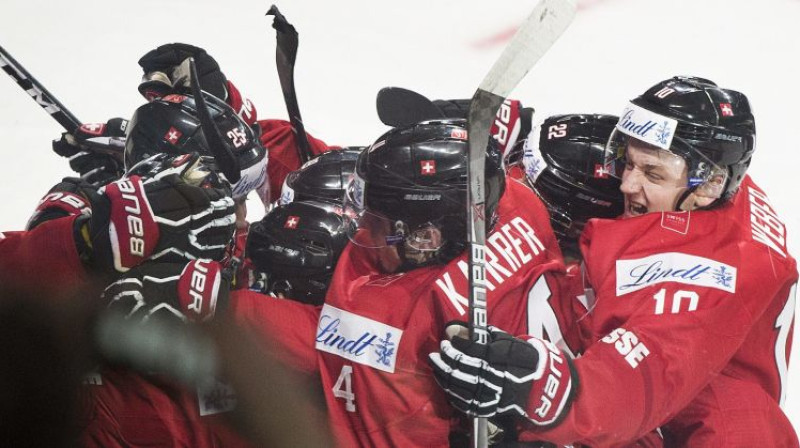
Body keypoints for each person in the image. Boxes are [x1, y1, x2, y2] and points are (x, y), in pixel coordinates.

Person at [429, 76, 798, 447]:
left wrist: (544, 388)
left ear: (708, 185)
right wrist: (532, 142)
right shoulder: (717, 190)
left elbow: (644, 374)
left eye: (652, 174)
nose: (626, 185)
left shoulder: (708, 281)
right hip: (677, 400)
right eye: (628, 161)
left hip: (678, 420)